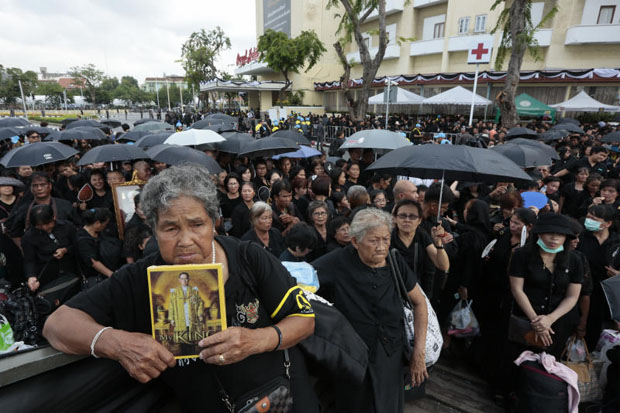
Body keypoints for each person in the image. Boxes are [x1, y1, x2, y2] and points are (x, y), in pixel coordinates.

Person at [43, 165, 317, 412]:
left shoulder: (248, 257)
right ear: (153, 229)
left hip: (283, 400)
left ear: (214, 223)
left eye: (197, 225)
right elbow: (57, 324)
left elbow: (304, 319)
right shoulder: (139, 277)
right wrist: (115, 343)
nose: (185, 240)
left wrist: (256, 340)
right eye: (170, 228)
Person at [312, 208, 429, 413]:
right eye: (374, 241)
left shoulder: (395, 261)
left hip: (390, 353)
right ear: (355, 241)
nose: (381, 247)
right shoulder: (337, 261)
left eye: (385, 239)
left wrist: (418, 352)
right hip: (354, 356)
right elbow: (300, 280)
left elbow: (420, 303)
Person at [508, 213, 583, 357]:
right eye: (550, 233)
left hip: (556, 322)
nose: (554, 239)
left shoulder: (575, 260)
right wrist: (536, 321)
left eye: (560, 235)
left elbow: (572, 297)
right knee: (516, 359)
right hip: (524, 318)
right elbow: (517, 289)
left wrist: (549, 319)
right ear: (539, 234)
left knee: (546, 365)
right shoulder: (522, 254)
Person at [391, 200, 449, 295]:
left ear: (419, 220)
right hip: (393, 291)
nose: (407, 220)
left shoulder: (422, 236)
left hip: (416, 291)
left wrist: (438, 243)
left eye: (413, 216)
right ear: (395, 218)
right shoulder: (387, 238)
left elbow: (443, 266)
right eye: (402, 215)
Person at [22, 204, 79, 293]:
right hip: (47, 275)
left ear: (54, 218)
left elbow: (78, 245)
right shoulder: (29, 236)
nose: (44, 228)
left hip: (71, 271)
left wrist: (66, 250)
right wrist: (31, 276)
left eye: (47, 224)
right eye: (39, 225)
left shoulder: (67, 226)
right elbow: (29, 260)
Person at [76, 208, 116, 283]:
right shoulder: (82, 240)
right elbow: (93, 262)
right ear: (97, 223)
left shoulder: (99, 232)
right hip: (95, 278)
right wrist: (110, 274)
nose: (106, 226)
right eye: (105, 224)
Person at [169, 272, 205, 344]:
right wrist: (172, 319)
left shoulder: (194, 291)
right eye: (182, 279)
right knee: (183, 339)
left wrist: (199, 314)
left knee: (192, 339)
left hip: (191, 316)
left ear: (188, 280)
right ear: (179, 280)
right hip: (180, 317)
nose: (184, 281)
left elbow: (200, 302)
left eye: (186, 279)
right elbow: (171, 306)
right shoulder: (175, 292)